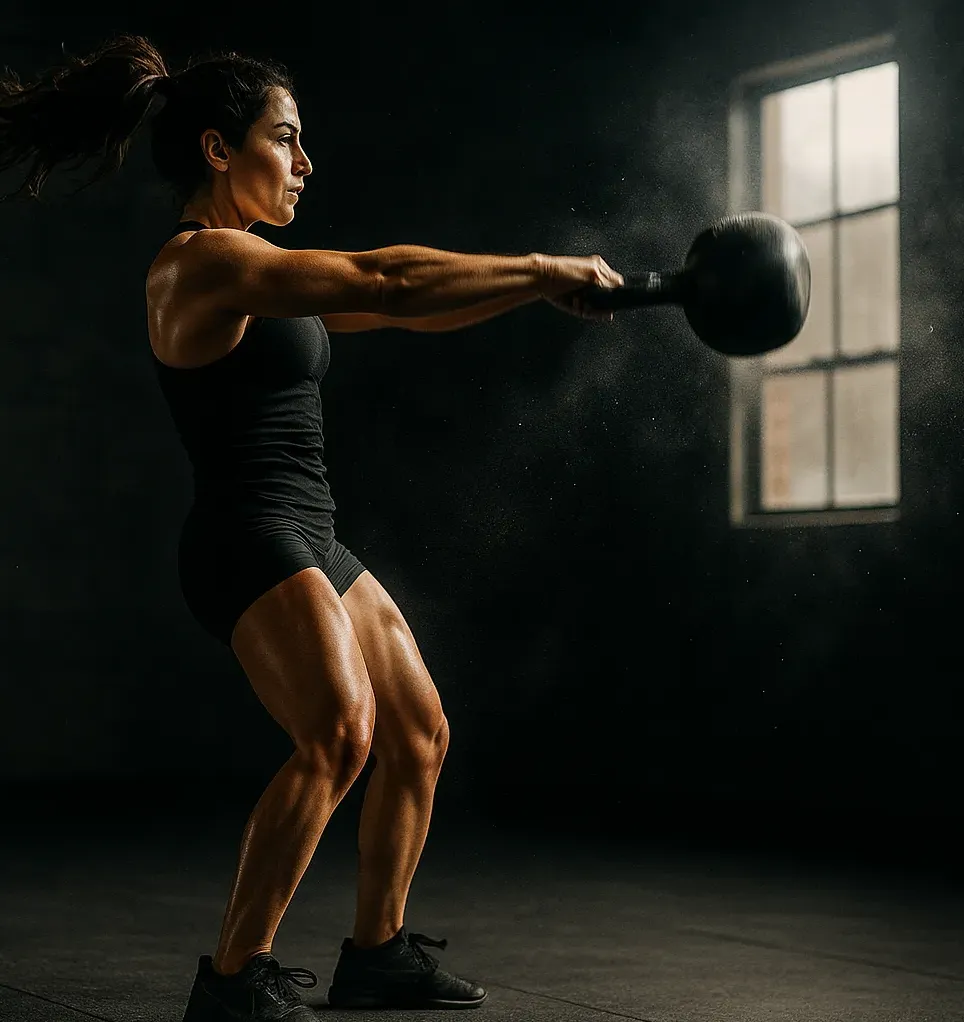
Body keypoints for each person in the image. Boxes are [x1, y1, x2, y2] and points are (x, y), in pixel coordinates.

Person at [0, 34, 623, 1022]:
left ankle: (375, 951)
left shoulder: (268, 272)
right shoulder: (197, 266)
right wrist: (543, 264)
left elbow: (404, 306)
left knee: (417, 731)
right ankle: (232, 975)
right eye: (284, 141)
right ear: (216, 148)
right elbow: (383, 279)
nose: (304, 163)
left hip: (311, 531)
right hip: (246, 537)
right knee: (338, 733)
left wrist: (529, 290)